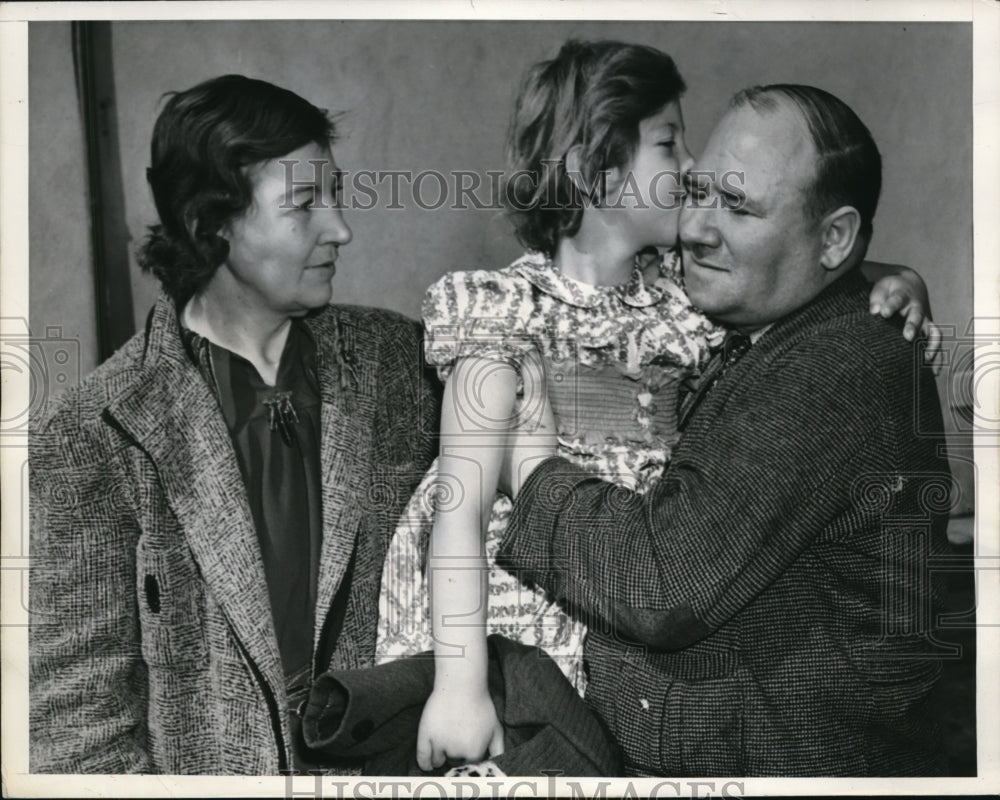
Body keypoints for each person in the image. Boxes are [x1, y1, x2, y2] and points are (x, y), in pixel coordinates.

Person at [373, 41, 939, 773]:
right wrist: (458, 683)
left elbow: (809, 272)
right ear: (592, 172)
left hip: (619, 618)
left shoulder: (690, 304)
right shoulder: (502, 312)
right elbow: (459, 506)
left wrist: (899, 281)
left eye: (730, 199)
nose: (694, 196)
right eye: (676, 154)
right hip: (501, 615)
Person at [29, 75, 440, 774]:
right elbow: (78, 733)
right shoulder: (92, 434)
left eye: (334, 195)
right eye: (304, 205)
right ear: (211, 222)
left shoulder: (404, 365)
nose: (340, 228)